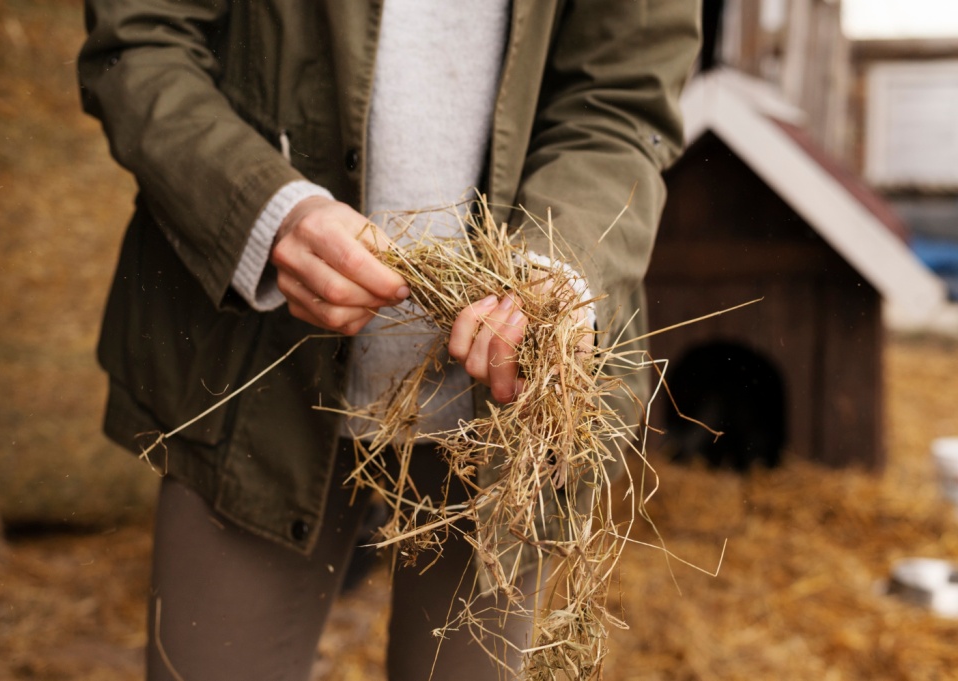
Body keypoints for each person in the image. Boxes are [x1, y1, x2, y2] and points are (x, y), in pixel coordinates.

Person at [78, 2, 700, 679]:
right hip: (253, 371)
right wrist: (267, 211)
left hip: (510, 416)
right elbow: (140, 39)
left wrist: (561, 260)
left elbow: (622, 100)